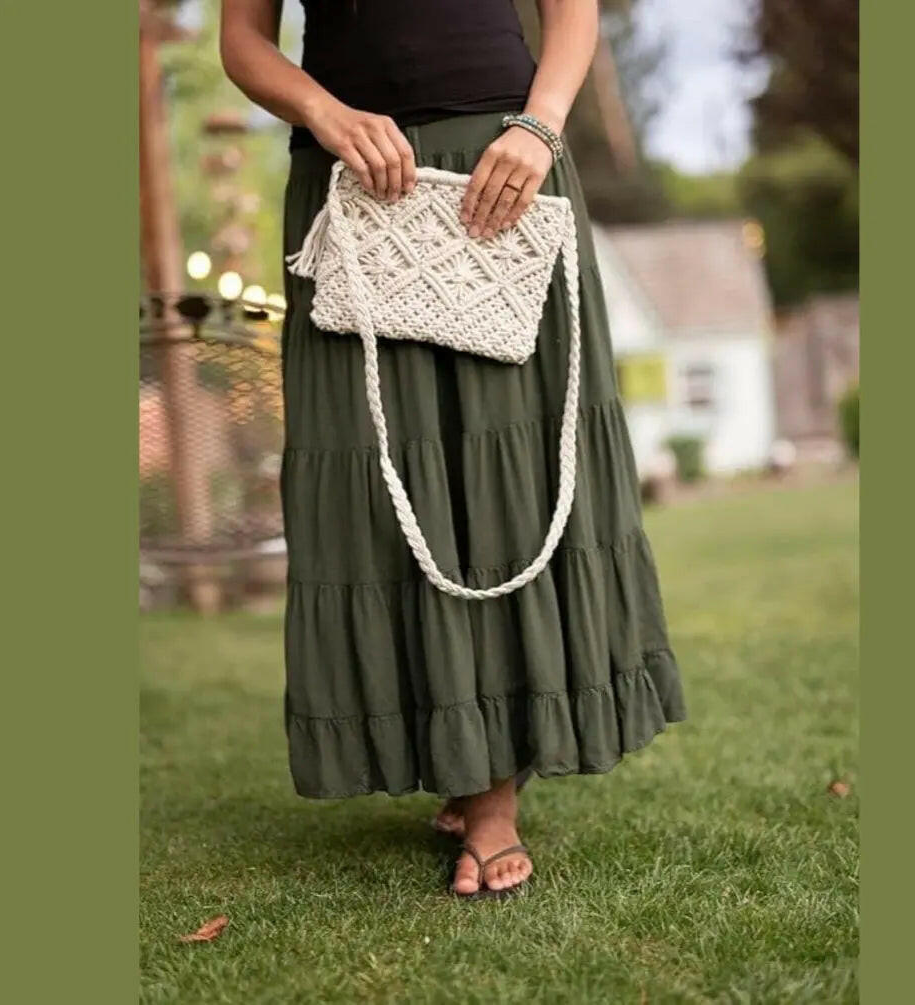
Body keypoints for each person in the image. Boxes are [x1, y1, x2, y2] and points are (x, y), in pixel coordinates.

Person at [220, 0, 685, 898]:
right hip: (350, 174)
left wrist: (539, 129)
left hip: (502, 164)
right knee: (381, 481)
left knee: (502, 477)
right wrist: (323, 112)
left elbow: (571, 12)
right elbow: (242, 40)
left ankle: (491, 794)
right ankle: (464, 752)